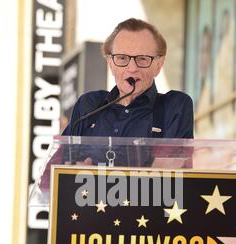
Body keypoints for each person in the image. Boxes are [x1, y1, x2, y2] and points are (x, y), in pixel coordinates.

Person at [61, 18, 194, 166]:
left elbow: (170, 174)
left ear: (158, 65)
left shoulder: (174, 106)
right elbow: (53, 173)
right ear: (110, 64)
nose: (132, 68)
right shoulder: (89, 105)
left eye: (142, 59)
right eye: (122, 58)